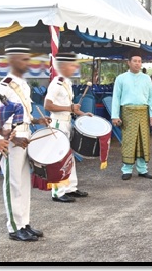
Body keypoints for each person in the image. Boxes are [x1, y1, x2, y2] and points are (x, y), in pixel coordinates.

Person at [0, 44, 51, 241]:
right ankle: (13, 227)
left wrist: (37, 120)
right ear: (12, 61)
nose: (28, 62)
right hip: (11, 141)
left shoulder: (23, 84)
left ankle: (24, 223)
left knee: (24, 183)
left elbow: (23, 115)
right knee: (12, 184)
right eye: (24, 59)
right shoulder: (4, 86)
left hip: (25, 137)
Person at [44, 52, 93, 203]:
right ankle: (57, 192)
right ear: (63, 66)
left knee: (69, 157)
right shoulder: (56, 83)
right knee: (59, 157)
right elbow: (48, 105)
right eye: (72, 64)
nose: (75, 67)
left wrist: (83, 114)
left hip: (66, 122)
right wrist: (70, 107)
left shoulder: (67, 83)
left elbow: (70, 108)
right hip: (58, 123)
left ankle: (71, 187)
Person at [111, 51, 152, 180]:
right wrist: (115, 115)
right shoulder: (121, 78)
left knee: (143, 140)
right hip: (128, 112)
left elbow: (151, 97)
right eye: (135, 61)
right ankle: (127, 170)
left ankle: (143, 169)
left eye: (139, 61)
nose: (137, 63)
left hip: (143, 112)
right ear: (129, 62)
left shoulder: (146, 78)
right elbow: (116, 98)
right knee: (129, 141)